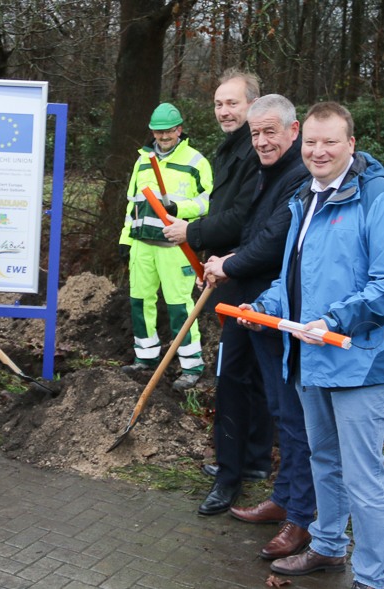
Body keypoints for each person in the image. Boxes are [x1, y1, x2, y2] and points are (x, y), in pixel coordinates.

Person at [244, 102, 384, 589]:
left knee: (366, 481)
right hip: (307, 356)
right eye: (311, 143)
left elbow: (383, 285)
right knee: (323, 460)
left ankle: (372, 577)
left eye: (330, 142)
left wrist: (332, 319)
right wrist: (263, 306)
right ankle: (327, 547)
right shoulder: (306, 196)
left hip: (358, 363)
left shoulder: (375, 198)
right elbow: (293, 280)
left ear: (351, 143)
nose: (318, 151)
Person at [203, 95, 314, 560]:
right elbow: (253, 228)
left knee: (294, 415)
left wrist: (230, 264)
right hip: (254, 304)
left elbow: (273, 240)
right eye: (256, 134)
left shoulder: (298, 176)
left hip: (278, 309)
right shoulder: (269, 172)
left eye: (271, 132)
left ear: (294, 131)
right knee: (278, 407)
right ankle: (285, 499)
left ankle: (301, 518)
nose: (262, 141)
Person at [163, 69, 275, 516]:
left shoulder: (255, 154)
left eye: (233, 103)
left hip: (250, 279)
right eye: (218, 104)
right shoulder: (233, 150)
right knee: (248, 374)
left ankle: (231, 476)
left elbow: (241, 220)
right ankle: (250, 462)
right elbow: (223, 209)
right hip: (231, 271)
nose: (224, 111)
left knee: (235, 377)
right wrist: (209, 259)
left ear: (254, 105)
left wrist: (194, 232)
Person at [118, 102, 212, 391]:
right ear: (152, 132)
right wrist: (125, 239)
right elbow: (132, 204)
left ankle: (191, 364)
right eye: (158, 132)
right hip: (142, 244)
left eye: (169, 131)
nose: (163, 137)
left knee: (179, 305)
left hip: (175, 245)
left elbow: (209, 202)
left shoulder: (196, 162)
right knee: (139, 301)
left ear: (179, 130)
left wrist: (178, 206)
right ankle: (145, 358)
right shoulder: (142, 161)